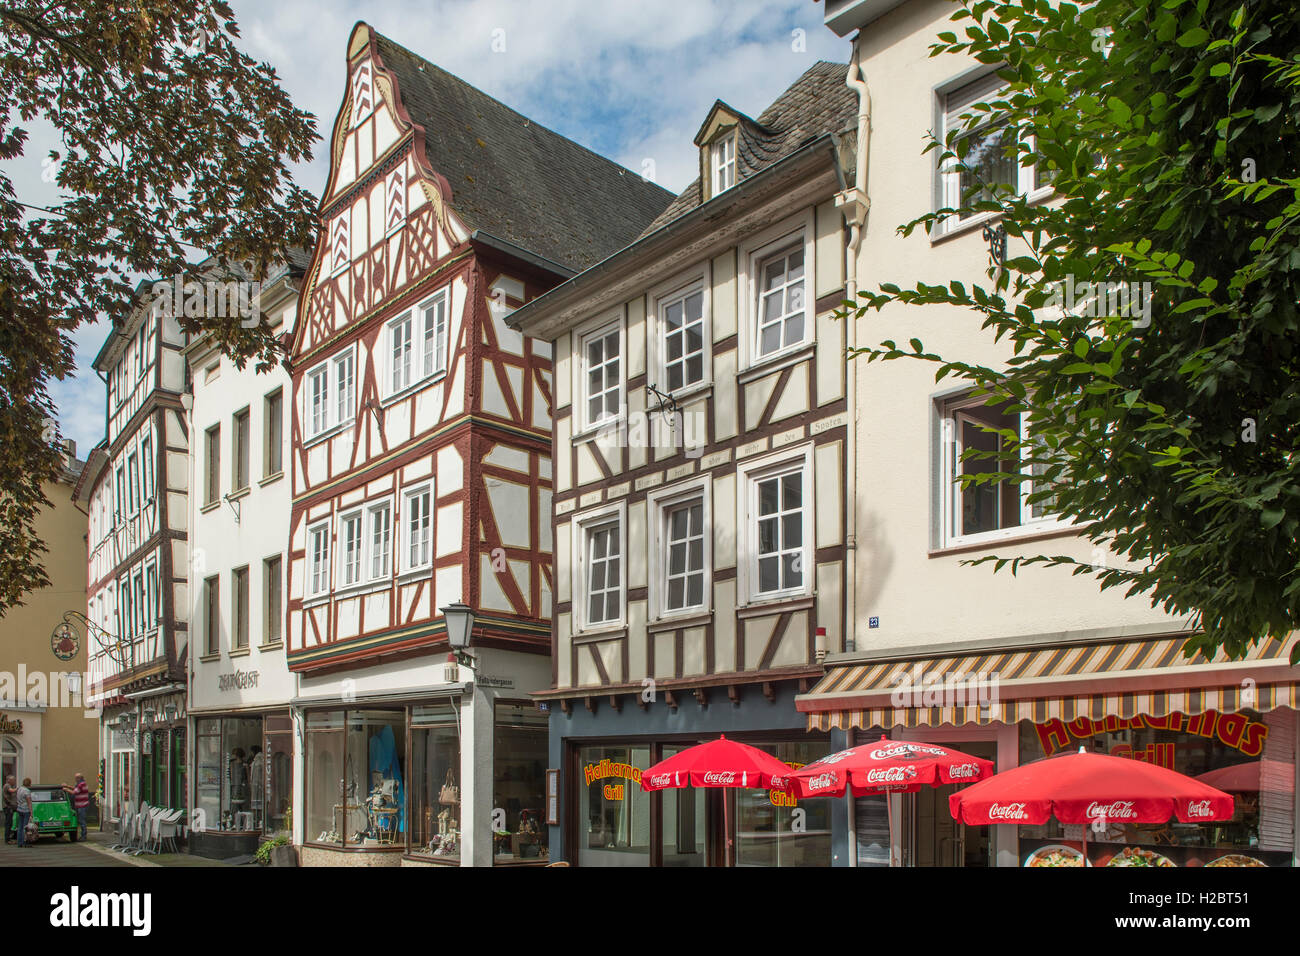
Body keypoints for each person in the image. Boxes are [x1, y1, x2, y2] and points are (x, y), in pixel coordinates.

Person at [63, 773, 91, 842]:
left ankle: (84, 836)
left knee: (82, 821)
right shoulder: (81, 784)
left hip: (82, 805)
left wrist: (66, 789)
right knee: (81, 821)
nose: (75, 779)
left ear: (79, 778)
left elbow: (74, 792)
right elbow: (75, 789)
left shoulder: (81, 784)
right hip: (81, 805)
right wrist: (67, 786)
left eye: (76, 778)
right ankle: (83, 835)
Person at [15, 778, 32, 848]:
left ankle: (19, 842)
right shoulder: (27, 791)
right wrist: (31, 812)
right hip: (25, 810)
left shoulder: (19, 789)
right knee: (25, 827)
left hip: (19, 809)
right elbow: (29, 802)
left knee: (20, 826)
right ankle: (24, 842)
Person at [3, 776, 16, 845]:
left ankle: (10, 837)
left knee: (10, 823)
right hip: (8, 807)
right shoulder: (7, 786)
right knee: (8, 823)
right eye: (13, 780)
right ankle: (7, 839)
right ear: (9, 780)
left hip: (10, 807)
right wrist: (19, 789)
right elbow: (11, 791)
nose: (14, 782)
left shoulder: (9, 786)